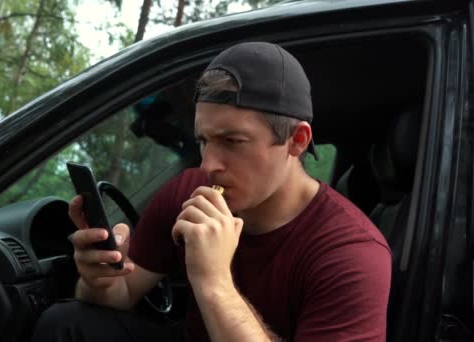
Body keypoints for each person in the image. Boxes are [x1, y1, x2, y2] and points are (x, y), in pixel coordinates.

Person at [32, 42, 391, 342]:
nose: (209, 164)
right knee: (66, 322)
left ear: (296, 141)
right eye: (203, 140)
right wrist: (98, 278)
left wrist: (215, 281)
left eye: (232, 141)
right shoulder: (189, 192)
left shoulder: (352, 254)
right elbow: (122, 295)